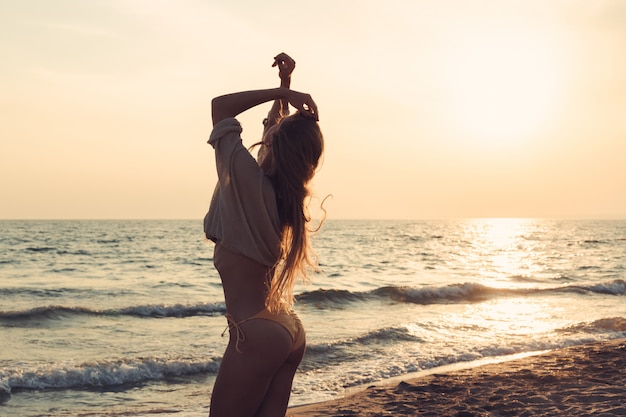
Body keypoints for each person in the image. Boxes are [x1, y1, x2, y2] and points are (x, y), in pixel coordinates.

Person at [204, 53, 324, 417]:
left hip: (256, 334)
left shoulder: (248, 183)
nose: (266, 130)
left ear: (272, 145)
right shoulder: (281, 195)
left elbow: (220, 108)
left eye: (269, 133)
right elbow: (274, 135)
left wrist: (279, 91)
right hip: (286, 331)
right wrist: (284, 92)